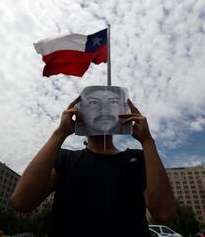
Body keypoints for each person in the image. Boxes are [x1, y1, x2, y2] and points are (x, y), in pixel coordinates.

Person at [10, 95, 176, 237]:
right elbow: (21, 202)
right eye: (93, 105)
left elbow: (164, 213)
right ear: (79, 114)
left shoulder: (139, 159)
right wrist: (59, 133)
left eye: (112, 104)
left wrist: (148, 142)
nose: (103, 111)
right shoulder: (64, 159)